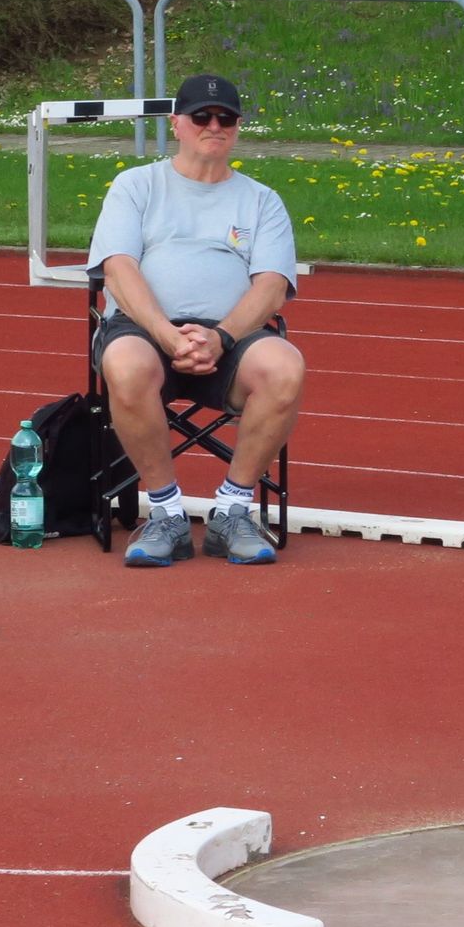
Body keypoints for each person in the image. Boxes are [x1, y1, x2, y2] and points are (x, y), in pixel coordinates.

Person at [87, 72, 305, 567]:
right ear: (176, 123)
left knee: (285, 366)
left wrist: (221, 336)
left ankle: (233, 510)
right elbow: (118, 269)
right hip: (145, 330)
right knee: (125, 364)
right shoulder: (136, 185)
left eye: (226, 118)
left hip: (232, 337)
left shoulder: (262, 199)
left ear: (238, 126)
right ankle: (166, 514)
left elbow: (271, 286)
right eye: (201, 116)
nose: (214, 126)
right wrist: (166, 334)